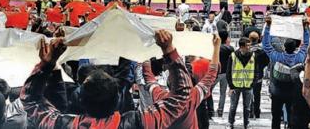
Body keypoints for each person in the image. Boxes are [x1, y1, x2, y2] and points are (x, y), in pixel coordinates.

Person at [20, 30, 194, 129]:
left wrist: (47, 64)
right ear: (118, 99)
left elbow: (31, 100)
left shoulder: (65, 125)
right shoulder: (138, 123)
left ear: (80, 100)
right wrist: (169, 50)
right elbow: (181, 96)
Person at [142, 33, 220, 128]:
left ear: (168, 83)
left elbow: (149, 79)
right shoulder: (192, 98)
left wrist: (144, 54)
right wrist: (216, 48)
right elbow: (211, 74)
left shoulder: (160, 97)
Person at [263, 17, 310, 129]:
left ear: (284, 47)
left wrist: (268, 26)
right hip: (293, 93)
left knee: (275, 118)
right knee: (291, 117)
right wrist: (305, 28)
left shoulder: (277, 56)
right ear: (296, 47)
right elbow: (306, 44)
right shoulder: (300, 57)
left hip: (277, 93)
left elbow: (266, 45)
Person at [227, 37, 256, 129]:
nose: (249, 47)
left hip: (248, 85)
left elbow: (256, 70)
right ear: (241, 47)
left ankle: (246, 124)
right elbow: (228, 72)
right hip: (235, 86)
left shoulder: (253, 56)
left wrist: (253, 83)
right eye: (247, 46)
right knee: (233, 106)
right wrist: (231, 86)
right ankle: (230, 122)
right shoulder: (233, 56)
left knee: (247, 107)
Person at [248, 32, 269, 119]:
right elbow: (266, 62)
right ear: (258, 39)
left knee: (248, 93)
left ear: (249, 39)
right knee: (257, 94)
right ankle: (257, 111)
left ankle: (249, 110)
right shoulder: (262, 51)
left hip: (248, 75)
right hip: (258, 75)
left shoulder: (247, 51)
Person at [216, 31, 234, 117]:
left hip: (216, 72)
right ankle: (220, 109)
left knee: (208, 91)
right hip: (225, 73)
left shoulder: (215, 47)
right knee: (222, 93)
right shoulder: (230, 49)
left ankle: (209, 107)